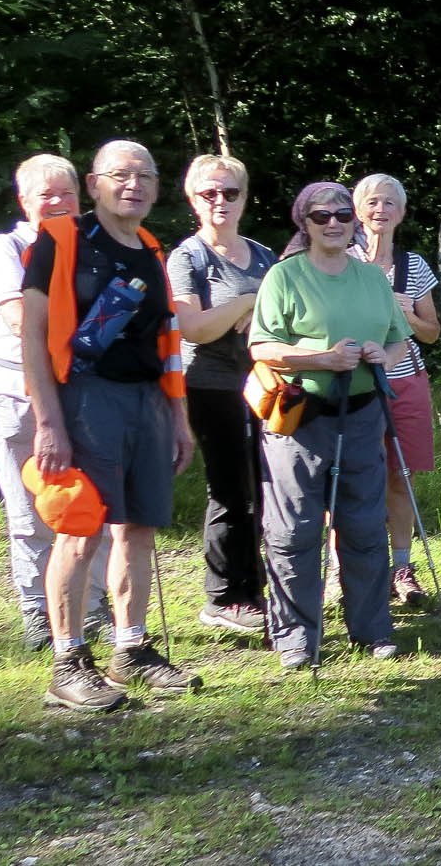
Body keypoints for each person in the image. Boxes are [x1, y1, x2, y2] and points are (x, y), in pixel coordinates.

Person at [21, 139, 199, 711]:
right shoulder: (60, 240)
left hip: (147, 400)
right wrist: (49, 421)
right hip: (84, 398)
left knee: (138, 527)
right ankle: (68, 662)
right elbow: (32, 338)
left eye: (145, 175)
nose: (134, 184)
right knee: (81, 527)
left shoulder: (151, 248)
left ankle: (131, 649)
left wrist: (178, 418)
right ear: (94, 184)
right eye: (121, 174)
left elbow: (167, 342)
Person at [248, 183, 414, 668]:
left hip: (362, 414)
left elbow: (398, 340)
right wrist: (322, 359)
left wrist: (382, 356)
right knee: (295, 529)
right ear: (305, 223)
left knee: (364, 524)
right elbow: (262, 347)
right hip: (301, 419)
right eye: (321, 216)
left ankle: (372, 628)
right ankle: (295, 637)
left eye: (342, 214)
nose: (334, 223)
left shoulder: (372, 278)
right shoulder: (284, 276)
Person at [0, 152, 110, 651]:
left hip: (86, 393)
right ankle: (38, 613)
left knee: (90, 504)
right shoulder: (4, 249)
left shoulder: (96, 247)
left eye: (66, 193)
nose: (57, 202)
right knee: (30, 511)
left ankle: (93, 607)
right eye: (46, 194)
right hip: (16, 392)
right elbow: (17, 319)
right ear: (23, 200)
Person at [168, 154, 279, 637]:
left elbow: (282, 319)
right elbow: (194, 328)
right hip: (211, 387)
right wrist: (247, 302)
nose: (220, 201)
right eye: (209, 193)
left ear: (244, 198)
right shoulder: (188, 258)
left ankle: (257, 591)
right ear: (192, 199)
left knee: (267, 489)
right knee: (231, 491)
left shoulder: (264, 256)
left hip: (266, 387)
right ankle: (224, 597)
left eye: (230, 192)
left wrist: (245, 313)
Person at [351, 173, 441, 608]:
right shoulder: (342, 259)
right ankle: (347, 569)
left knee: (401, 476)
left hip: (406, 381)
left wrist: (410, 315)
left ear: (402, 213)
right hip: (355, 381)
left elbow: (433, 332)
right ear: (357, 211)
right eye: (372, 202)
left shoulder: (413, 266)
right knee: (352, 477)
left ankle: (401, 569)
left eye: (389, 203)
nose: (380, 210)